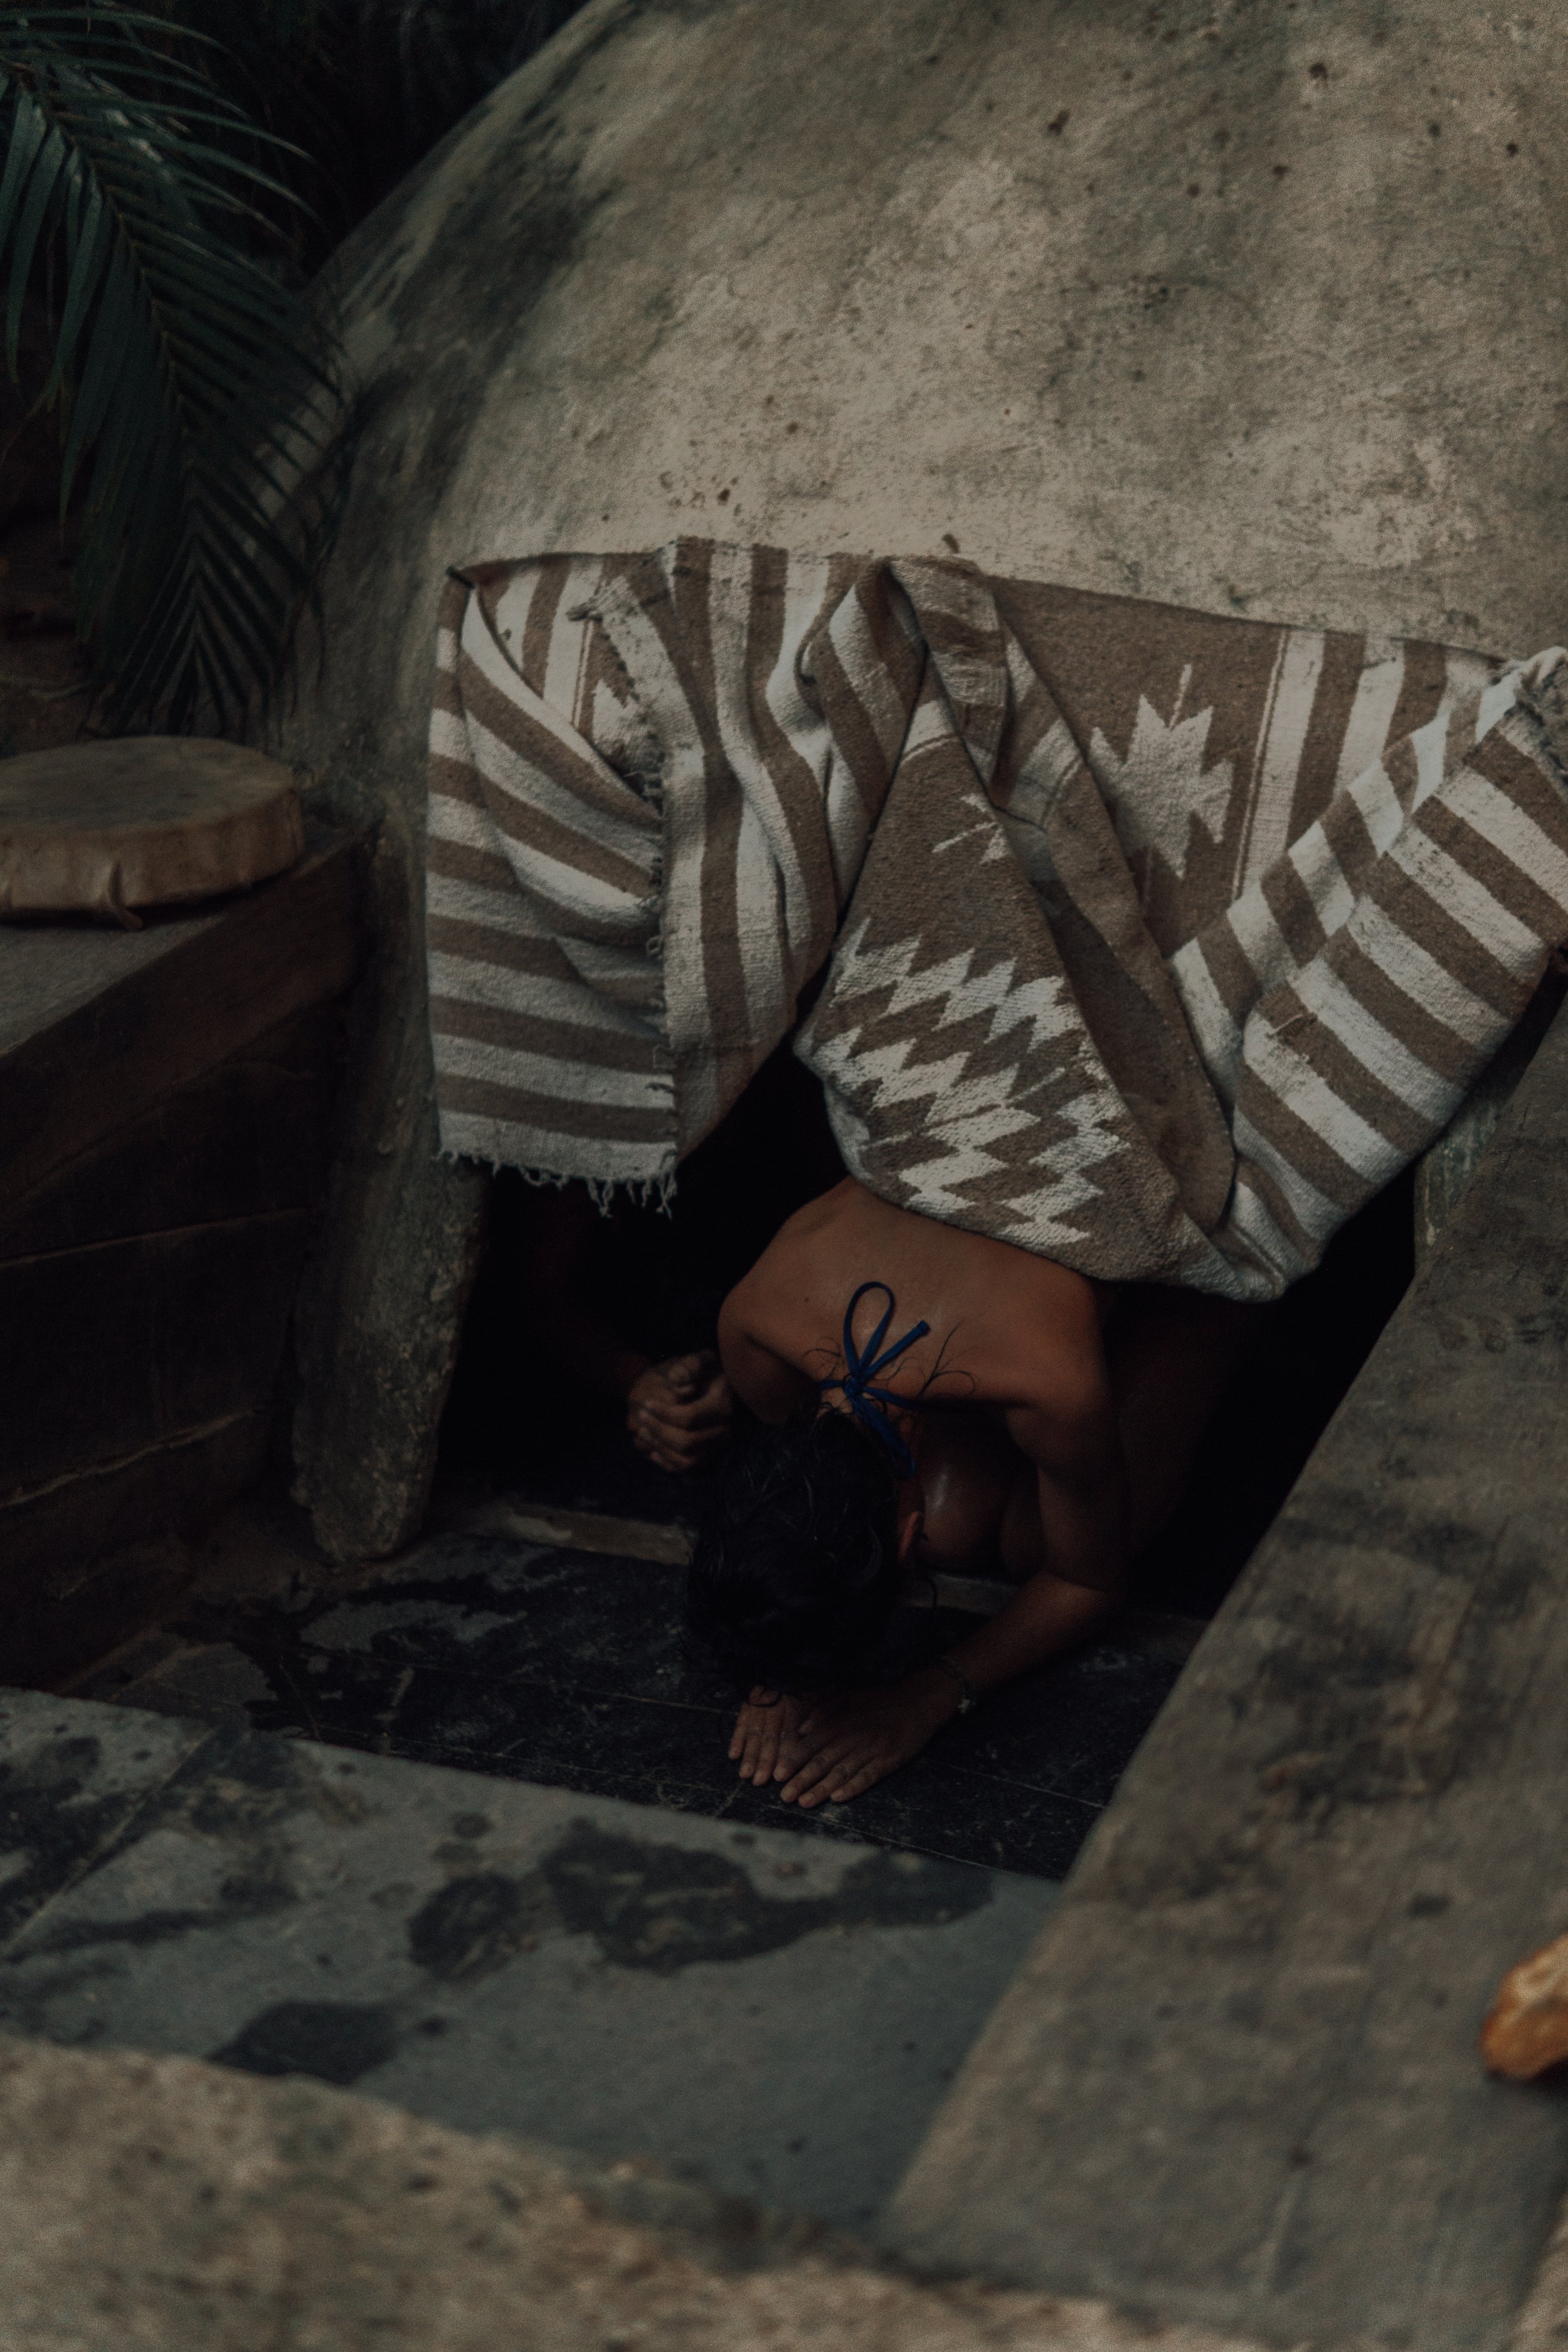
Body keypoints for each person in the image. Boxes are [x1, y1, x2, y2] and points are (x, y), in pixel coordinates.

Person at [672, 1177, 1259, 1812]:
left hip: (1148, 1201)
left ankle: (1232, 1290)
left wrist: (928, 1696)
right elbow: (795, 1528)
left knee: (1036, 1546)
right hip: (986, 1245)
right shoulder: (754, 1327)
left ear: (904, 1540)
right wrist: (773, 1658)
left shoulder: (1045, 1386)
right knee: (953, 1528)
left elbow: (1087, 1583)